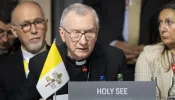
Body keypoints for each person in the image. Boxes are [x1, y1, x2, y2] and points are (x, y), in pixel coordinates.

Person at [16, 3, 126, 100]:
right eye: (76, 33)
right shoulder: (42, 63)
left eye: (89, 32)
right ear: (62, 34)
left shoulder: (114, 59)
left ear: (97, 33)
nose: (83, 41)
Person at [83, 0, 171, 81]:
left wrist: (155, 48)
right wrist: (110, 43)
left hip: (157, 63)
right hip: (106, 62)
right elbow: (87, 13)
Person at [0, 1, 49, 100]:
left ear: (46, 25)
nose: (34, 30)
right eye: (25, 25)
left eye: (38, 22)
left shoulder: (66, 59)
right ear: (14, 31)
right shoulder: (2, 68)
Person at [135, 1, 175, 99]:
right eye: (160, 23)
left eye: (169, 22)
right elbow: (142, 97)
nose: (162, 28)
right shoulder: (149, 55)